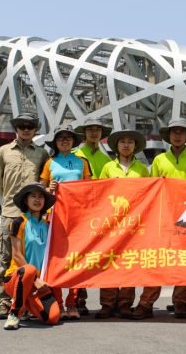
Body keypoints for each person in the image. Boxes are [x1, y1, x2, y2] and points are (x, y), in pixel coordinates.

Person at [0, 113, 48, 320]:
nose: (26, 129)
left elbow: (44, 181)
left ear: (35, 130)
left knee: (33, 260)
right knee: (6, 259)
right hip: (10, 213)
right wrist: (11, 199)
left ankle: (30, 301)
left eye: (30, 126)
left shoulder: (41, 154)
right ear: (16, 128)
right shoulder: (4, 152)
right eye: (22, 126)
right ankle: (4, 303)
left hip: (34, 216)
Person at [150, 118, 186, 319]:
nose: (177, 135)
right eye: (174, 132)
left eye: (181, 132)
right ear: (168, 136)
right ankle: (147, 302)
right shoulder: (159, 160)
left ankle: (182, 303)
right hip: (164, 216)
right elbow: (153, 190)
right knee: (156, 259)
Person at [96, 129, 149, 320]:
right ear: (116, 146)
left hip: (134, 223)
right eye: (122, 142)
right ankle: (107, 304)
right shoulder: (108, 167)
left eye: (130, 142)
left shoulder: (142, 169)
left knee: (129, 262)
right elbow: (99, 192)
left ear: (135, 146)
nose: (126, 145)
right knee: (108, 260)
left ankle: (125, 304)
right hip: (111, 223)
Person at [40, 124, 91, 320]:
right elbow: (40, 190)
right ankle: (59, 303)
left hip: (78, 218)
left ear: (73, 141)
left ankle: (73, 302)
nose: (64, 140)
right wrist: (49, 189)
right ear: (55, 142)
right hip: (55, 217)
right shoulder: (50, 162)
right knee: (58, 261)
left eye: (68, 137)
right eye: (61, 137)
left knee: (78, 261)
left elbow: (90, 189)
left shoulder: (82, 162)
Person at [3, 182, 58, 330]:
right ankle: (14, 314)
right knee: (29, 270)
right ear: (26, 201)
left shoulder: (48, 225)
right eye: (33, 196)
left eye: (41, 197)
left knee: (53, 317)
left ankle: (28, 304)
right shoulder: (18, 222)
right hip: (18, 278)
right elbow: (16, 255)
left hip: (39, 284)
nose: (37, 200)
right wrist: (35, 280)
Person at [73, 117, 112, 315]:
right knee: (81, 256)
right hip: (81, 212)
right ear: (84, 133)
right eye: (90, 130)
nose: (94, 133)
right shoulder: (75, 155)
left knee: (103, 255)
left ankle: (107, 302)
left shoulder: (107, 160)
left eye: (98, 129)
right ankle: (79, 299)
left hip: (101, 213)